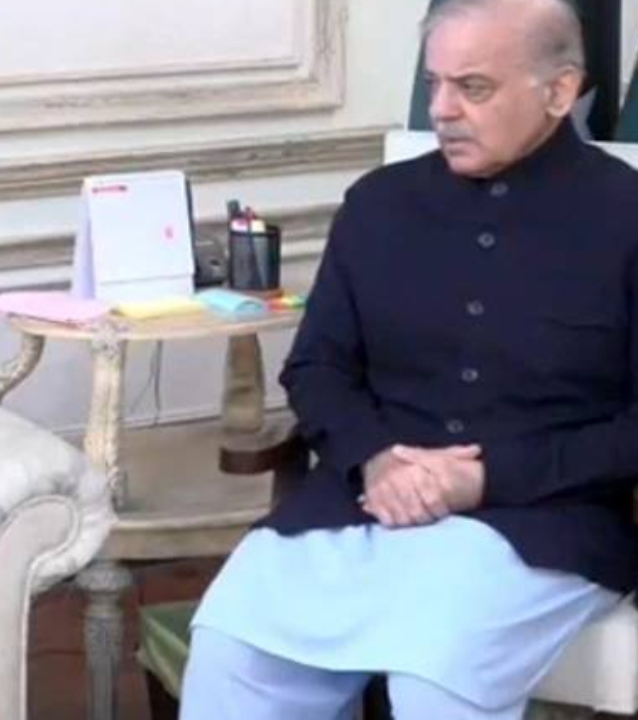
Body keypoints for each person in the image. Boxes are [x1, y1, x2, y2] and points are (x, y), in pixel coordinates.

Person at [181, 0, 638, 718]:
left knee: (436, 669)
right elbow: (317, 367)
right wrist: (376, 460)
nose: (443, 110)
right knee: (232, 648)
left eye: (473, 87)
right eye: (434, 84)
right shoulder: (378, 205)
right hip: (362, 502)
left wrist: (486, 479)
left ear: (558, 91)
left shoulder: (627, 216)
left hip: (544, 523)